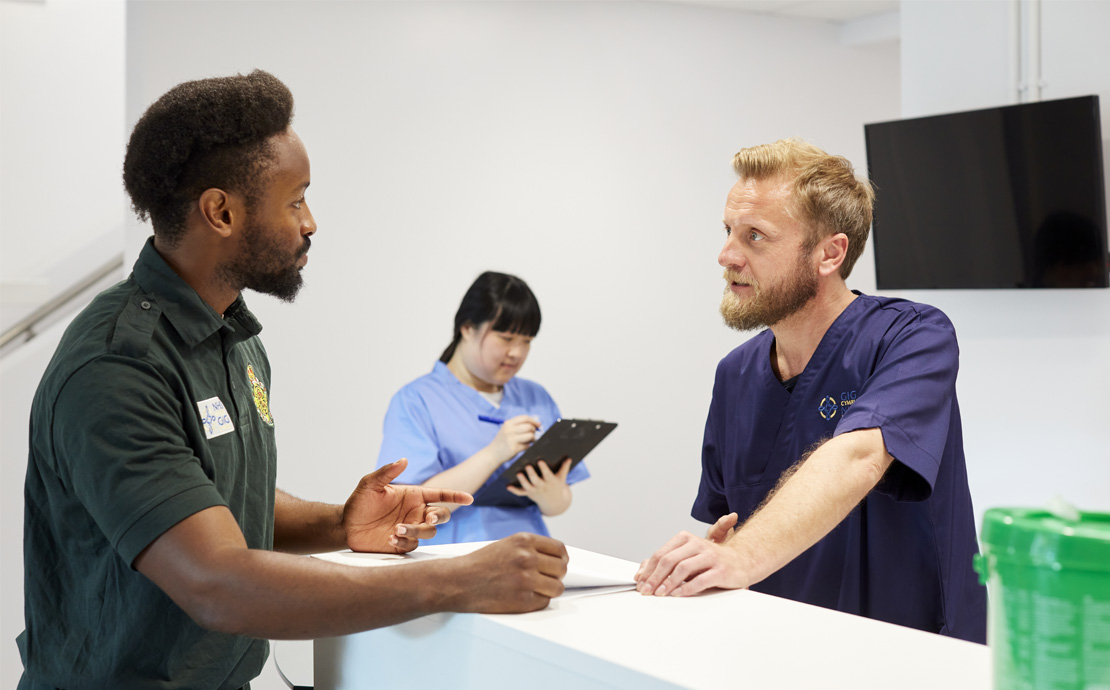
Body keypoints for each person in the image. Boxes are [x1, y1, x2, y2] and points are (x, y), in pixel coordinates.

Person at [18, 70, 568, 690]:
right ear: (221, 212)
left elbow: (206, 497)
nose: (311, 222)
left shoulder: (235, 338)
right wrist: (458, 582)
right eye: (296, 199)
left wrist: (340, 524)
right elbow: (216, 583)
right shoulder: (119, 367)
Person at [634, 138, 987, 643]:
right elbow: (734, 525)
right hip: (784, 647)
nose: (727, 255)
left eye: (755, 236)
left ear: (829, 253)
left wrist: (737, 556)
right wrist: (709, 562)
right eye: (728, 231)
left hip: (911, 650)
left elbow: (858, 457)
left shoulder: (913, 336)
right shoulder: (735, 375)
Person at [377, 271, 589, 544]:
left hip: (530, 559)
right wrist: (494, 454)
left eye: (526, 341)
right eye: (506, 337)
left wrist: (549, 494)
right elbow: (410, 508)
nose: (517, 353)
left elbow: (558, 504)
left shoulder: (536, 397)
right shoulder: (416, 400)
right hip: (451, 562)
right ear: (467, 328)